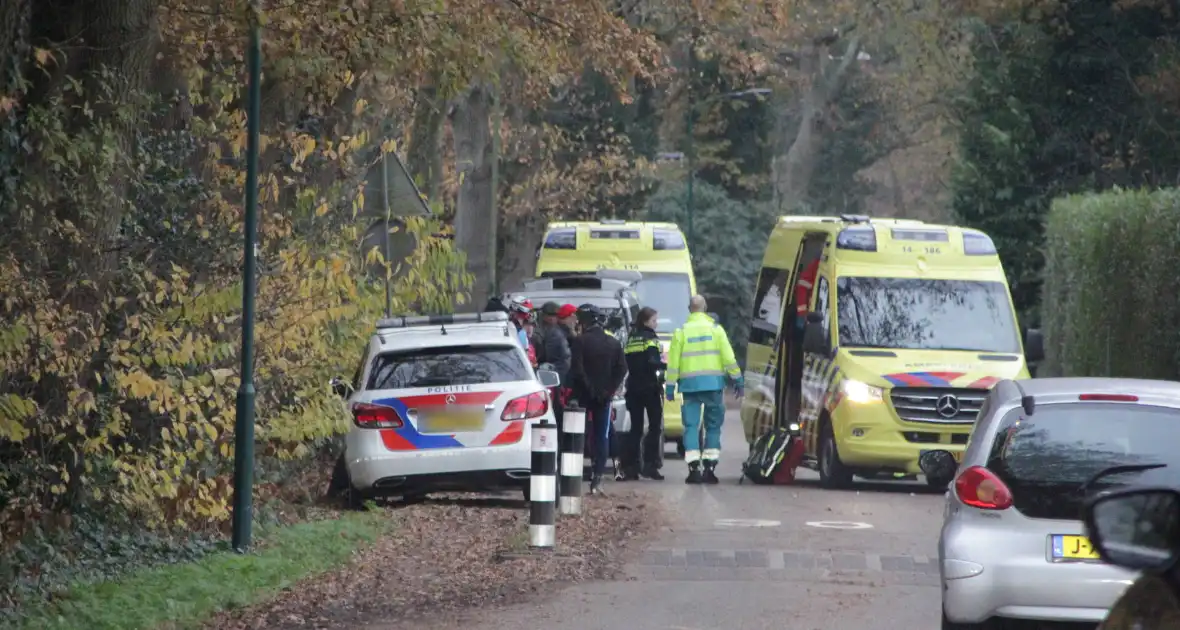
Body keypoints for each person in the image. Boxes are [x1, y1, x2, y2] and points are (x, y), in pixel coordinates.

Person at [665, 295, 742, 485]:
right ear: (705, 307)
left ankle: (693, 470)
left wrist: (670, 386)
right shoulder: (716, 330)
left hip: (689, 387)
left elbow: (673, 363)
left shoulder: (681, 332)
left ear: (689, 309)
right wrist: (738, 379)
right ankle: (710, 469)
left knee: (691, 427)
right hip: (713, 385)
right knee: (713, 427)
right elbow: (729, 357)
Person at [569, 303, 627, 494]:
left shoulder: (580, 342)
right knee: (602, 436)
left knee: (579, 435)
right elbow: (622, 369)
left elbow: (577, 370)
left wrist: (590, 389)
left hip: (583, 397)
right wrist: (607, 391)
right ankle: (598, 478)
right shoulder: (613, 343)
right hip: (604, 398)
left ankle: (572, 477)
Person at [621, 306, 666, 481]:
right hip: (649, 387)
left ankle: (630, 467)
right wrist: (665, 367)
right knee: (655, 427)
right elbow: (653, 362)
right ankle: (650, 465)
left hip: (633, 388)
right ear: (647, 321)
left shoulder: (631, 338)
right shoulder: (651, 338)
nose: (657, 323)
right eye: (654, 320)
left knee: (636, 429)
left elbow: (627, 361)